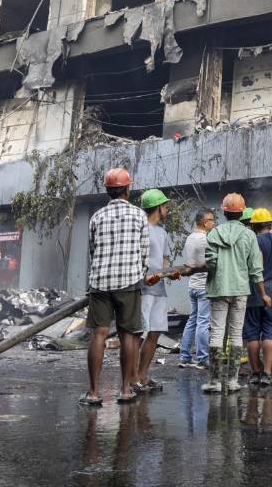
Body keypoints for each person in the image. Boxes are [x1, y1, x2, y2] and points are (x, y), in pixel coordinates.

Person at [81, 168, 148, 406]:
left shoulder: (96, 217)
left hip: (100, 282)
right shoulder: (139, 216)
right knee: (128, 335)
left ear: (108, 191)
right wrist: (140, 274)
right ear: (127, 189)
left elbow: (92, 251)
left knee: (98, 334)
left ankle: (93, 392)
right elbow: (144, 253)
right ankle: (125, 390)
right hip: (129, 282)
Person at [200, 193, 270, 393]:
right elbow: (256, 269)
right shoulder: (249, 235)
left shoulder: (213, 233)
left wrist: (218, 270)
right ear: (241, 212)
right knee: (236, 334)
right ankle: (231, 381)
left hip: (218, 289)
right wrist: (263, 294)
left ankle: (214, 381)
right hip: (240, 290)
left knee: (217, 333)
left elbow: (211, 263)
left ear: (224, 211)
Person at [244, 209, 272, 386]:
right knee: (270, 333)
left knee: (252, 334)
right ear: (270, 224)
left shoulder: (251, 241)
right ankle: (267, 373)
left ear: (253, 225)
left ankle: (255, 372)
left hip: (253, 292)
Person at [135, 189, 173, 393]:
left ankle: (143, 375)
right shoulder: (139, 229)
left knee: (155, 332)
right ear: (158, 208)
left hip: (159, 288)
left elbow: (165, 262)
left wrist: (169, 274)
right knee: (140, 333)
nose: (166, 209)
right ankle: (132, 378)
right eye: (165, 205)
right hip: (143, 289)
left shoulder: (163, 232)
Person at [178, 209, 215, 371]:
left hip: (192, 285)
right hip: (203, 287)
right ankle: (202, 359)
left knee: (192, 320)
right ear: (204, 222)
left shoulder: (190, 238)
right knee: (203, 322)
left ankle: (184, 357)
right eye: (211, 220)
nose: (213, 223)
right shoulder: (205, 239)